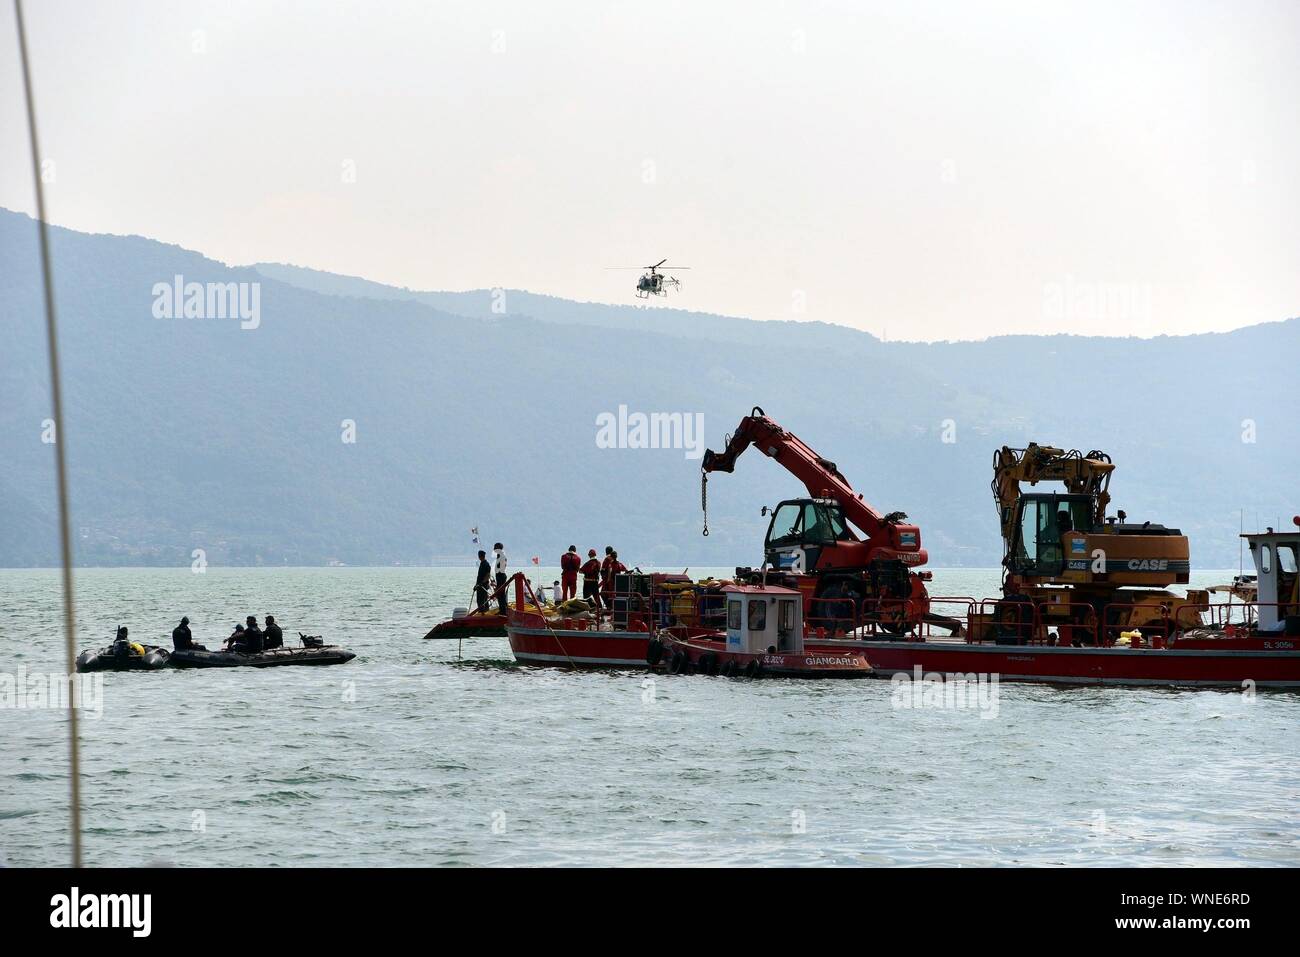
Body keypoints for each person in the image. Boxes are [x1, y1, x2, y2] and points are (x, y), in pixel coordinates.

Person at [493, 543, 508, 615]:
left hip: (501, 576)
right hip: (500, 576)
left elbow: (503, 566)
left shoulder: (502, 556)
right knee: (500, 594)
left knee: (501, 594)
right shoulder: (499, 555)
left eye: (495, 547)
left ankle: (503, 611)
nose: (494, 549)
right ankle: (502, 610)